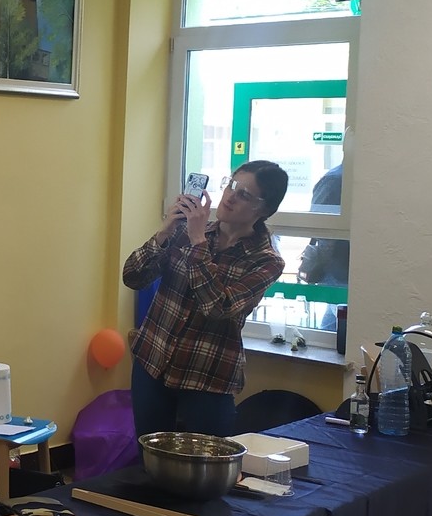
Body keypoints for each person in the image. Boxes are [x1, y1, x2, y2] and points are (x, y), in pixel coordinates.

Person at [121, 161, 288, 438]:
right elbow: (132, 277)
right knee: (149, 457)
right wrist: (165, 232)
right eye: (231, 185)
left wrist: (198, 241)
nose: (230, 196)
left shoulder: (266, 261)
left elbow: (218, 307)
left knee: (204, 462)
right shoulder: (184, 231)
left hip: (206, 378)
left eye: (244, 194)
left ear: (264, 210)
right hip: (152, 362)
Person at [298, 164, 349, 330]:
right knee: (338, 328)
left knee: (333, 329)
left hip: (341, 271)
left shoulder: (342, 178)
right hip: (339, 271)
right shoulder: (335, 179)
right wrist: (320, 265)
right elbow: (319, 226)